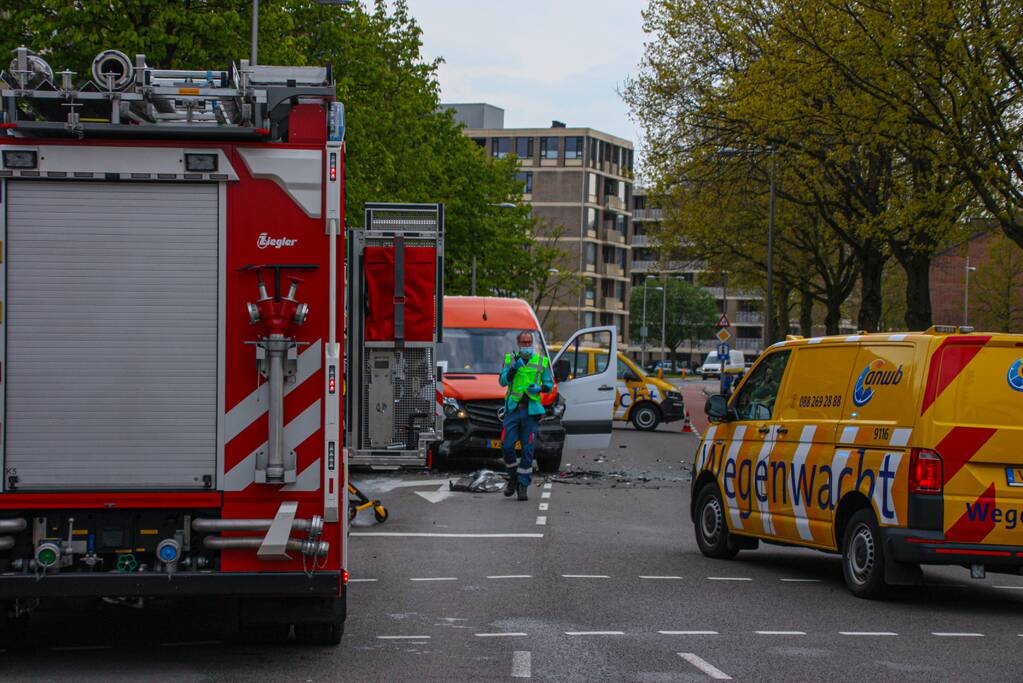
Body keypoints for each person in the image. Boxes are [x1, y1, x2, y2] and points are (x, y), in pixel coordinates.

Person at [498, 330, 554, 501]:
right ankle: (513, 477)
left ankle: (523, 485)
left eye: (529, 342)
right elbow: (502, 382)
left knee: (528, 451)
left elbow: (549, 385)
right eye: (524, 342)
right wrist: (513, 369)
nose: (527, 346)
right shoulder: (510, 360)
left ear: (534, 344)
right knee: (507, 446)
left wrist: (539, 389)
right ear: (518, 344)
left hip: (530, 412)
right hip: (513, 410)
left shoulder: (542, 361)